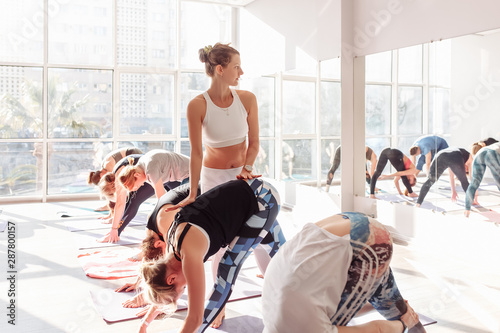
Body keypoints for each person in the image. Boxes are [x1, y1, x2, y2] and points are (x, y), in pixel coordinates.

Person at [164, 42, 262, 327]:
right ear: (220, 69)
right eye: (236, 67)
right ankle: (217, 305)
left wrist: (247, 169)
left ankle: (276, 288)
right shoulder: (198, 105)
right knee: (218, 247)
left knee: (256, 238)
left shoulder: (248, 98)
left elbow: (254, 143)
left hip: (243, 177)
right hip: (213, 180)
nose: (241, 72)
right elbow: (196, 153)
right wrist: (193, 192)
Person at [137, 178, 285, 333]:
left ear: (172, 279)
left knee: (227, 268)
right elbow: (160, 284)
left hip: (263, 199)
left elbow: (195, 318)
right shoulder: (171, 249)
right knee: (285, 257)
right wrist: (145, 324)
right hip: (251, 195)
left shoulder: (189, 254)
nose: (186, 287)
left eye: (183, 288)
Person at [262, 212, 422, 333]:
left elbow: (376, 330)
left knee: (401, 316)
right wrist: (376, 306)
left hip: (366, 242)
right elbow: (330, 307)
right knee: (395, 306)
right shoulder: (271, 321)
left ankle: (411, 324)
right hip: (344, 224)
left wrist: (403, 325)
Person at [98, 152, 189, 244]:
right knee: (175, 204)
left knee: (179, 207)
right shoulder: (140, 169)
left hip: (190, 173)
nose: (141, 186)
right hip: (176, 173)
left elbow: (162, 202)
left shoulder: (150, 172)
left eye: (135, 187)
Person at [117, 149, 190, 199]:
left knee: (184, 203)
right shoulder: (142, 163)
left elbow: (161, 197)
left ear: (136, 175)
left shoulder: (150, 170)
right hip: (189, 172)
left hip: (193, 172)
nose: (142, 185)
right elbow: (161, 194)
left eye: (137, 186)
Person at [464, 142, 500, 217]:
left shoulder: (485, 148)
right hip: (492, 153)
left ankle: (467, 209)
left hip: (479, 156)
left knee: (473, 184)